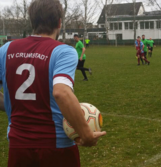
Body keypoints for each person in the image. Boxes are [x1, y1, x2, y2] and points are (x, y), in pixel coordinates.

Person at [0, 0, 106, 167]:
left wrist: (12, 104)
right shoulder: (63, 51)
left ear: (32, 21)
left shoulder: (6, 49)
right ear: (59, 22)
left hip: (18, 145)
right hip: (56, 147)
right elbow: (61, 92)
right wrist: (85, 134)